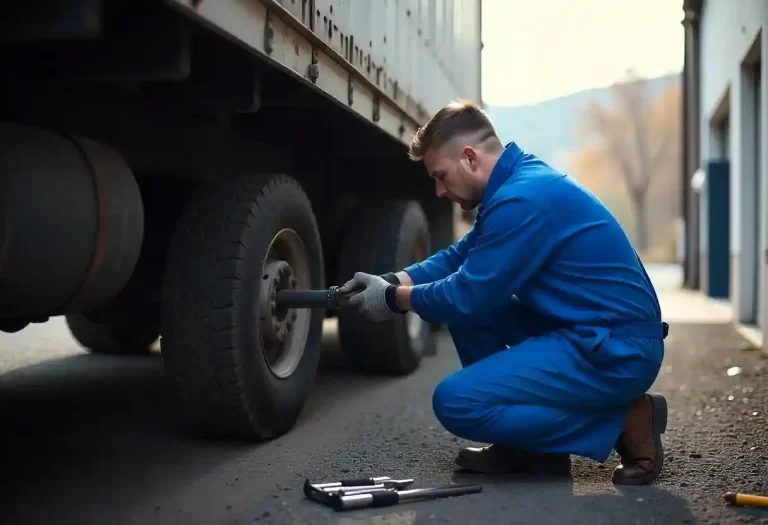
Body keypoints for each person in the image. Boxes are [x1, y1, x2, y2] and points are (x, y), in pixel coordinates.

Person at [338, 99, 669, 486]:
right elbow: (458, 258)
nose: (439, 191)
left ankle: (625, 421)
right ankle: (528, 449)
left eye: (440, 176)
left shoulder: (521, 200)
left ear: (469, 157)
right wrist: (393, 279)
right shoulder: (518, 185)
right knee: (470, 315)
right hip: (587, 333)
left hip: (616, 351)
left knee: (456, 402)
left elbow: (466, 293)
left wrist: (394, 300)